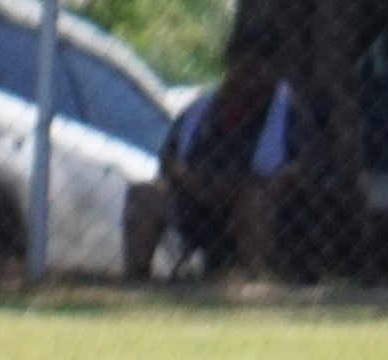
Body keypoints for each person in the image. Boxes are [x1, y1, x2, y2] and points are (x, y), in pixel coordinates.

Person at [127, 16, 314, 278]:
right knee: (144, 194)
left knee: (255, 200)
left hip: (264, 208)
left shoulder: (290, 112)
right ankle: (136, 279)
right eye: (242, 55)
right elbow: (169, 157)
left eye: (262, 57)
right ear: (229, 59)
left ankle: (255, 282)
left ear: (276, 65)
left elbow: (305, 164)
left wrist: (261, 185)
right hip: (197, 201)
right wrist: (187, 177)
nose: (251, 64)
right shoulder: (200, 110)